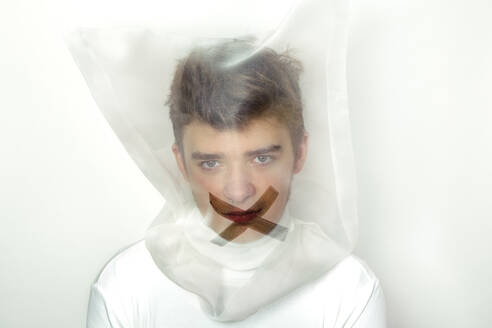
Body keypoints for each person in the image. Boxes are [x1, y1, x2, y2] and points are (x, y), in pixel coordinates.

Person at [87, 40, 386, 327]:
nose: (239, 191)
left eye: (261, 159)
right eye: (211, 163)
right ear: (181, 163)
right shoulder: (127, 286)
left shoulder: (348, 289)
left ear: (301, 152)